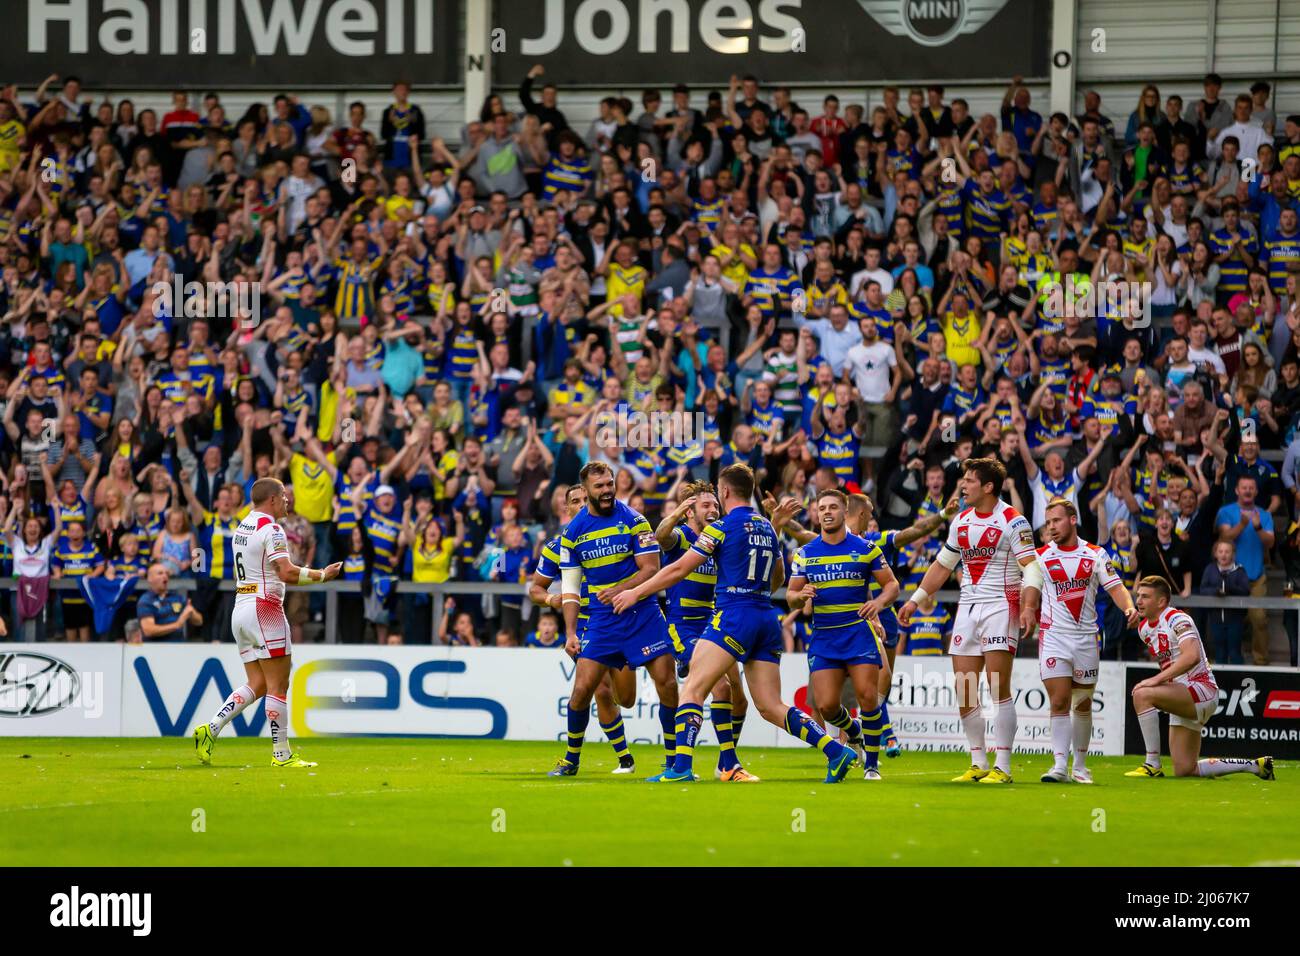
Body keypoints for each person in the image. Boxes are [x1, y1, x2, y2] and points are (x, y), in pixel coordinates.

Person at [611, 463, 860, 784]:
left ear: (725, 492)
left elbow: (678, 569)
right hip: (767, 619)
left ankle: (681, 769)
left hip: (733, 615)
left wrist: (635, 592)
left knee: (694, 690)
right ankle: (835, 750)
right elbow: (778, 579)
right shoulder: (768, 528)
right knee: (771, 706)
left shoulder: (721, 528)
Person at [898, 457, 1041, 784]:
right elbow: (943, 564)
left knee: (997, 687)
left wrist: (1029, 606)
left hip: (1000, 606)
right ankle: (978, 762)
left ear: (988, 487)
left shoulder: (1013, 521)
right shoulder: (960, 520)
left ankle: (1003, 766)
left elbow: (1032, 567)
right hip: (968, 608)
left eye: (970, 480)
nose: (963, 485)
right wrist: (915, 600)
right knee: (964, 688)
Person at [191, 478, 342, 769]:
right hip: (265, 607)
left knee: (258, 683)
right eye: (284, 496)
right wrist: (322, 575)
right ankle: (281, 755)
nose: (288, 501)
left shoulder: (242, 526)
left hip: (241, 608)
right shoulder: (271, 529)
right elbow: (285, 572)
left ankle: (210, 729)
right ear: (271, 499)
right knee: (278, 684)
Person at [548, 461, 679, 777]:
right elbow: (569, 589)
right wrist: (569, 633)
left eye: (609, 484)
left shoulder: (635, 521)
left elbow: (650, 569)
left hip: (643, 613)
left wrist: (620, 589)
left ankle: (675, 760)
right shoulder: (573, 534)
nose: (607, 490)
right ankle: (571, 760)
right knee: (582, 690)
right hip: (603, 619)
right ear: (586, 490)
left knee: (668, 682)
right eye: (600, 487)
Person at [787, 489, 899, 780]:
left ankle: (872, 765)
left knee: (867, 698)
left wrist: (878, 603)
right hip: (824, 638)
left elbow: (892, 586)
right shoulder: (806, 553)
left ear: (843, 511)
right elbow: (790, 595)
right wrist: (801, 596)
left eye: (833, 507)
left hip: (857, 633)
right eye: (821, 507)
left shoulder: (865, 548)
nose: (826, 512)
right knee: (825, 706)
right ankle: (854, 731)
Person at [528, 483, 637, 773]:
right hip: (586, 625)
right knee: (596, 688)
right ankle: (586, 758)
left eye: (583, 499)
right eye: (573, 501)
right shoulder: (559, 546)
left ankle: (622, 753)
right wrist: (555, 599)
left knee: (625, 698)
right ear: (567, 509)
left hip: (619, 619)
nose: (579, 504)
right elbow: (534, 589)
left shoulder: (613, 535)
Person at [1029, 499, 1139, 784]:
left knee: (1082, 703)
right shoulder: (1040, 556)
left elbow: (1116, 587)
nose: (1051, 526)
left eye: (1056, 520)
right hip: (1053, 637)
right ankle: (1058, 765)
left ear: (1072, 519)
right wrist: (1028, 610)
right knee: (1059, 700)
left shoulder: (1095, 554)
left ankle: (1080, 766)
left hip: (1086, 639)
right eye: (1048, 521)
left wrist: (1129, 607)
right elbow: (1030, 587)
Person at [655, 480, 756, 781]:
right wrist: (675, 514)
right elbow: (661, 535)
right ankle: (725, 764)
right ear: (690, 511)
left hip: (715, 623)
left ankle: (714, 762)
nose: (713, 509)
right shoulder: (682, 537)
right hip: (683, 626)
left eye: (715, 504)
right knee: (720, 687)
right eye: (705, 505)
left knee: (739, 696)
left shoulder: (719, 539)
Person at [1127, 576, 1275, 780]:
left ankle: (1152, 764)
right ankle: (1255, 766)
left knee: (1142, 694)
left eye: (1145, 597)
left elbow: (1191, 656)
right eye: (1138, 596)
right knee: (1185, 770)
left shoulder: (1178, 619)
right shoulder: (1144, 629)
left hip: (1200, 689)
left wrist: (1156, 680)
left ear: (1161, 601)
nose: (1139, 601)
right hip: (1182, 694)